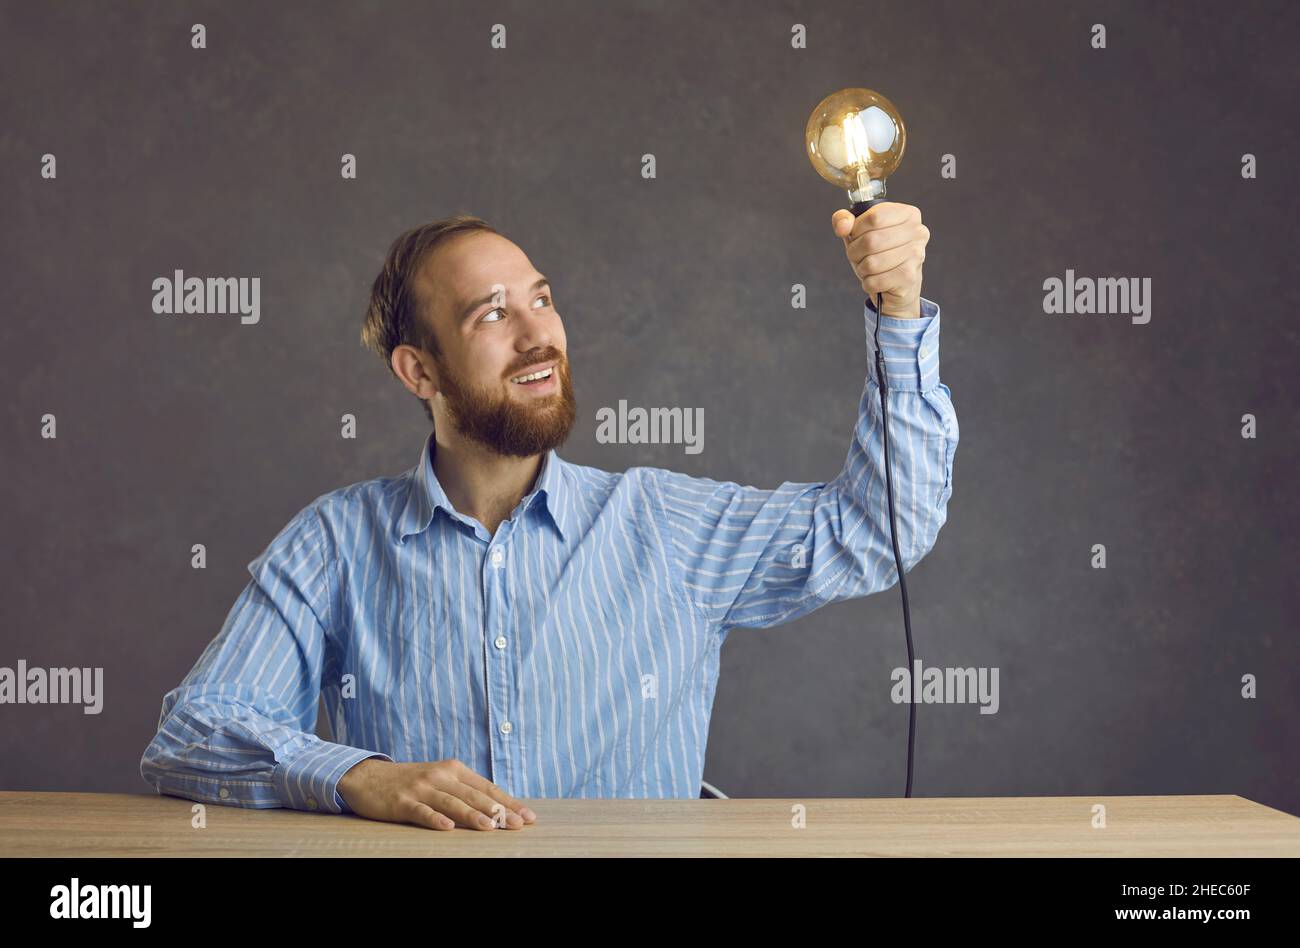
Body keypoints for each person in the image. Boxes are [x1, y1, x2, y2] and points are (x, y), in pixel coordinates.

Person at [140, 205, 958, 831]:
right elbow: (194, 733)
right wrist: (362, 776)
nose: (540, 336)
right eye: (492, 315)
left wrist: (899, 312)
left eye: (542, 300)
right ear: (417, 370)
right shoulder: (335, 542)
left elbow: (879, 528)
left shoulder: (664, 525)